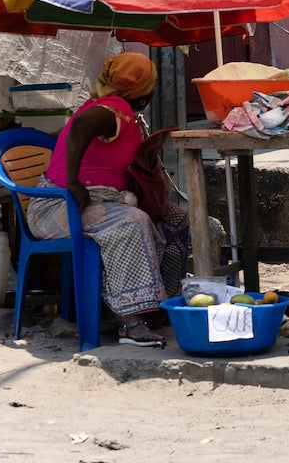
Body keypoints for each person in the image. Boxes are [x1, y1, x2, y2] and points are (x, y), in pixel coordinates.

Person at [32, 52, 192, 345]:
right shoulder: (111, 110)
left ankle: (160, 306)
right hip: (59, 206)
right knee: (133, 222)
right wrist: (73, 182)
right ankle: (130, 321)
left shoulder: (118, 111)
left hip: (101, 200)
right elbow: (80, 126)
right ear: (145, 92)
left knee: (177, 220)